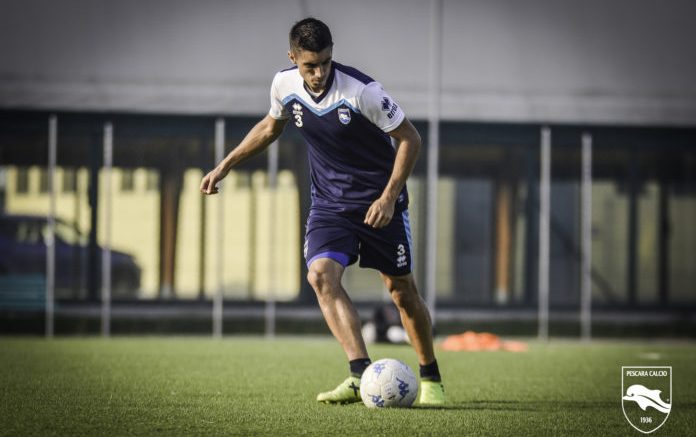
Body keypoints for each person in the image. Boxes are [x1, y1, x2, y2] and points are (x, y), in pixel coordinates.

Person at [200, 17, 445, 406]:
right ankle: (360, 374)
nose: (318, 74)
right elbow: (270, 127)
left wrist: (388, 197)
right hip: (330, 205)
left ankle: (431, 379)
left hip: (379, 203)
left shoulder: (362, 91)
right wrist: (224, 165)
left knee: (401, 292)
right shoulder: (284, 85)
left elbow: (410, 138)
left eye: (325, 63)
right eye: (309, 65)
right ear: (293, 58)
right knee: (320, 276)